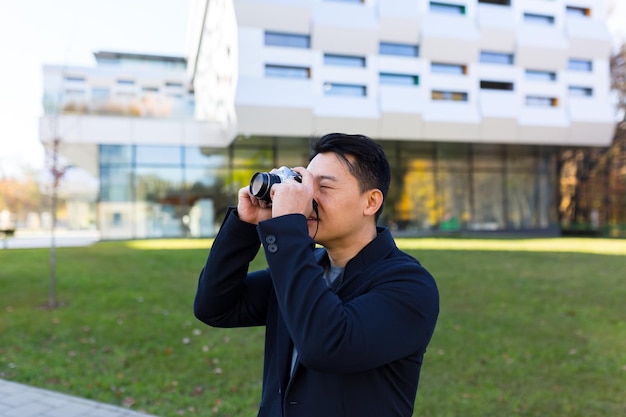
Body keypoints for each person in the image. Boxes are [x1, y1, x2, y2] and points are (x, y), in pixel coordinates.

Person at [194, 133, 439, 417]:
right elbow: (214, 307)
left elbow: (326, 345)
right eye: (304, 185)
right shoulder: (305, 266)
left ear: (370, 202)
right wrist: (246, 226)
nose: (307, 198)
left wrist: (288, 231)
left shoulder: (410, 286)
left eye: (323, 186)